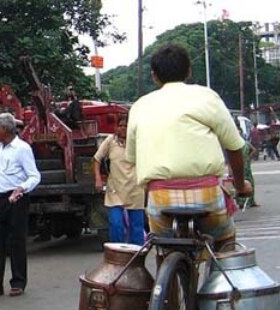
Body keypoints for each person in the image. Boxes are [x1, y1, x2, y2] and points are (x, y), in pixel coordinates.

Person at [126, 44, 248, 251]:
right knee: (226, 240)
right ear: (189, 71)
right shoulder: (207, 97)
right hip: (207, 196)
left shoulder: (139, 106)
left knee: (164, 247)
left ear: (154, 76)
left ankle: (166, 277)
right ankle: (224, 273)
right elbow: (234, 147)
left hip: (160, 199)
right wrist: (240, 185)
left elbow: (132, 157)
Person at [0, 112, 41, 298]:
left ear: (5, 129)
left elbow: (34, 175)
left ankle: (18, 282)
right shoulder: (0, 148)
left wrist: (22, 188)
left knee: (16, 240)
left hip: (16, 198)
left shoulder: (22, 148)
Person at [93, 117, 145, 245]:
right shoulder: (110, 141)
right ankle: (118, 255)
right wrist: (98, 179)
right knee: (116, 224)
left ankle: (136, 257)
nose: (122, 128)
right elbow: (96, 159)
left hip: (135, 188)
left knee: (136, 227)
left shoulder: (138, 142)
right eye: (120, 125)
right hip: (115, 190)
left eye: (125, 126)